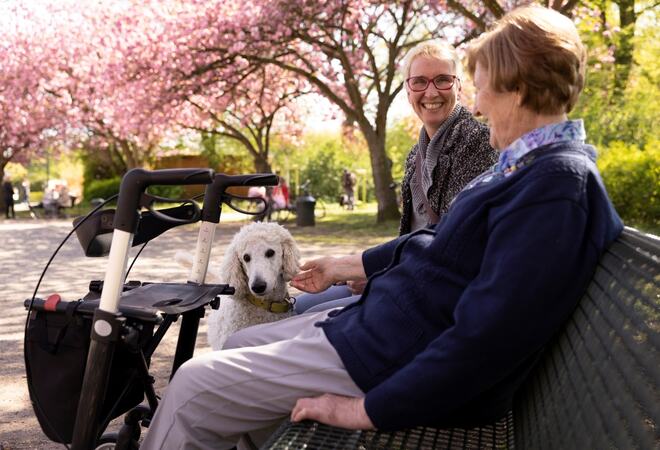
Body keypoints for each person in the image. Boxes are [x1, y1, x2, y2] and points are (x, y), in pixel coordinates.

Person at [140, 7, 623, 449]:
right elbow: (440, 247)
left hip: (389, 354)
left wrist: (364, 411)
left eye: (480, 88)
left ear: (517, 89)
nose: (474, 106)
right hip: (383, 329)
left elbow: (487, 335)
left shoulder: (556, 186)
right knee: (239, 342)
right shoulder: (531, 169)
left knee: (191, 386)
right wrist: (353, 265)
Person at [294, 40, 497, 314]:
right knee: (298, 304)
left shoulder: (480, 142)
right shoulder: (416, 154)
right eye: (420, 82)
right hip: (404, 272)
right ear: (407, 90)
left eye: (443, 80)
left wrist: (382, 273)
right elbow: (413, 233)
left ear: (459, 86)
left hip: (434, 293)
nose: (431, 91)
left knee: (307, 312)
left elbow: (450, 241)